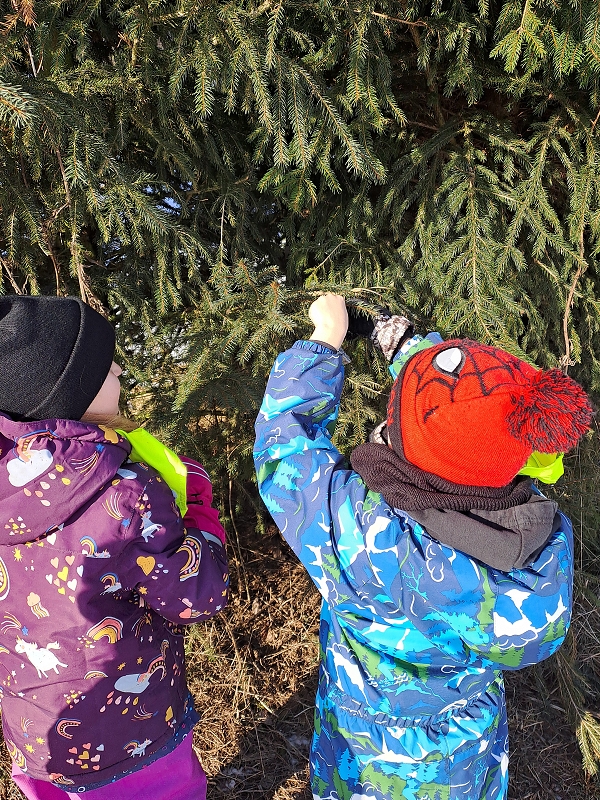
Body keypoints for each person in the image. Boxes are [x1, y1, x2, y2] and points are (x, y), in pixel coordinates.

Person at [253, 292, 593, 800]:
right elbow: (471, 425)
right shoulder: (535, 541)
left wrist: (322, 343)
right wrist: (410, 350)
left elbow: (284, 448)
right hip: (465, 752)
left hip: (364, 754)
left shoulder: (365, 536)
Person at [0, 295, 228, 799]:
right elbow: (198, 594)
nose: (121, 369)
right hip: (130, 734)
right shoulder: (125, 493)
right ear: (69, 392)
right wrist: (200, 511)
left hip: (37, 738)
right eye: (106, 367)